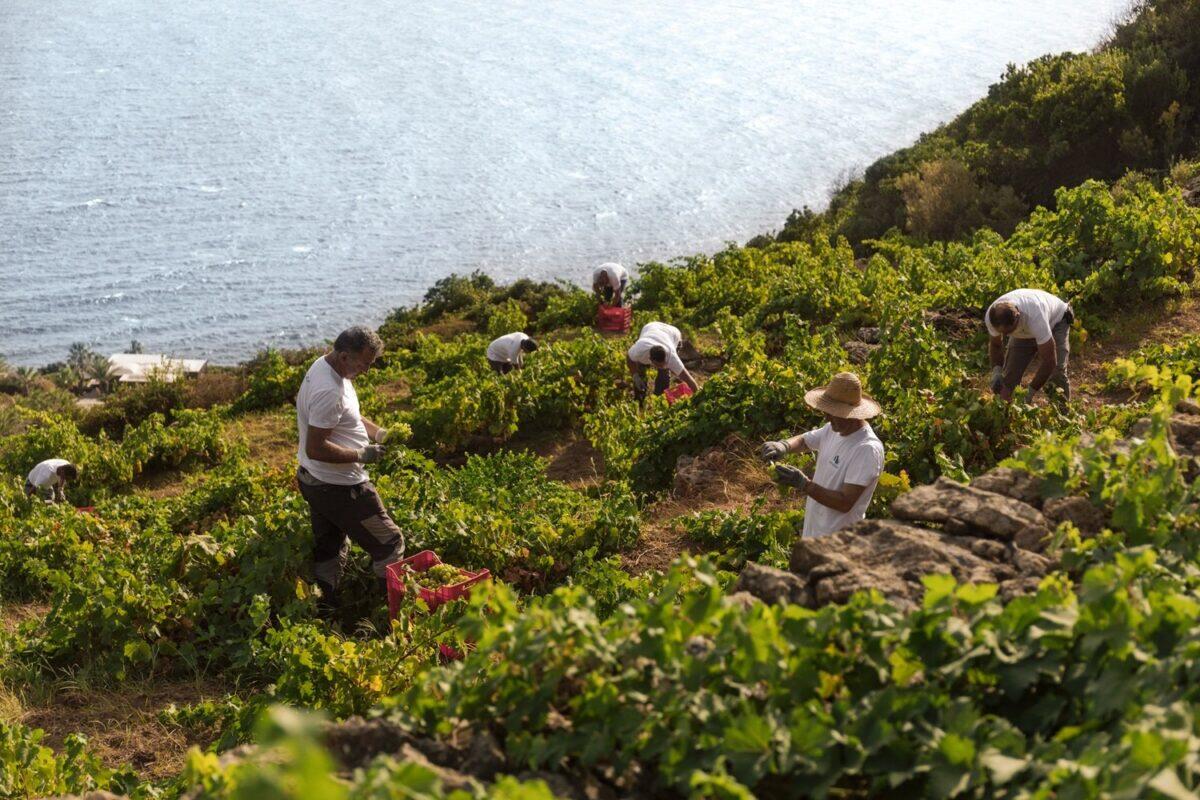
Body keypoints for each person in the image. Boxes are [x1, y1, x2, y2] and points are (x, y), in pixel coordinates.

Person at [296, 326, 405, 614]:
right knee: (390, 544)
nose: (367, 371)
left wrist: (378, 433)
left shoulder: (329, 366)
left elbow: (350, 415)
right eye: (364, 364)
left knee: (330, 546)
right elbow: (315, 447)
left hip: (315, 481)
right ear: (345, 356)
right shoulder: (327, 390)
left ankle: (326, 608)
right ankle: (390, 611)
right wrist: (361, 454)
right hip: (340, 487)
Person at [759, 372, 884, 539]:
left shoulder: (866, 449)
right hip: (816, 533)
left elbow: (845, 502)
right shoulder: (833, 429)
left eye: (833, 413)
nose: (827, 416)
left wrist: (803, 483)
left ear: (851, 414)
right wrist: (783, 445)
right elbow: (805, 441)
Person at [985, 288, 1073, 402]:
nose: (1006, 335)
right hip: (1026, 329)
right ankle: (1007, 412)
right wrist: (996, 371)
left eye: (1009, 331)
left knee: (1057, 372)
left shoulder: (1035, 316)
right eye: (1003, 333)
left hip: (1056, 321)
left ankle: (1062, 412)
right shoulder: (992, 317)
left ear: (1017, 316)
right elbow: (996, 345)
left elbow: (1050, 361)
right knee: (1009, 378)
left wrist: (1030, 393)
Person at [626, 321, 699, 400]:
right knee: (640, 370)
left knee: (664, 374)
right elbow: (629, 358)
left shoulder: (671, 357)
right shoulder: (639, 351)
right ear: (650, 359)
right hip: (651, 327)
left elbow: (689, 379)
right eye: (659, 365)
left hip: (673, 333)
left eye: (664, 363)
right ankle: (639, 400)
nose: (662, 366)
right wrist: (635, 376)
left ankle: (659, 399)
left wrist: (699, 396)